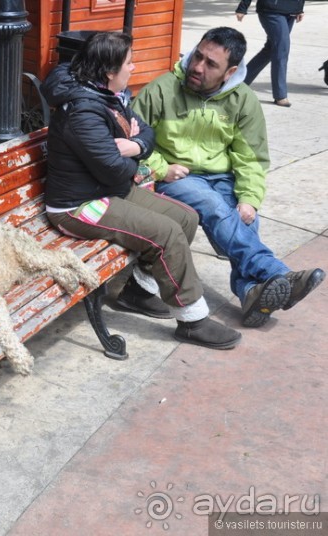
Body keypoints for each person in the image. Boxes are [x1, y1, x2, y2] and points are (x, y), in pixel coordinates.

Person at [40, 32, 241, 350]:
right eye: (129, 63)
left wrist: (133, 145)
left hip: (108, 190)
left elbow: (146, 133)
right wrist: (134, 155)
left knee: (186, 217)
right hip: (78, 206)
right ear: (109, 71)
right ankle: (192, 321)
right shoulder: (83, 112)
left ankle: (138, 293)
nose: (133, 68)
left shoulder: (108, 95)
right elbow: (114, 168)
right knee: (167, 233)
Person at [131, 27, 324, 329]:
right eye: (198, 56)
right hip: (175, 177)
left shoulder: (243, 99)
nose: (198, 67)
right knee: (214, 207)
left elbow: (251, 157)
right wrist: (160, 167)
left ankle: (251, 293)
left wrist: (249, 198)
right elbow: (131, 138)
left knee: (245, 219)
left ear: (230, 72)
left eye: (211, 64)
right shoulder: (162, 89)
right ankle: (276, 271)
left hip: (221, 176)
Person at [236, 0, 305, 107]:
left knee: (271, 50)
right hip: (271, 10)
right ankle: (280, 95)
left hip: (291, 12)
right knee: (281, 49)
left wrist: (299, 8)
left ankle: (240, 81)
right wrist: (242, 7)